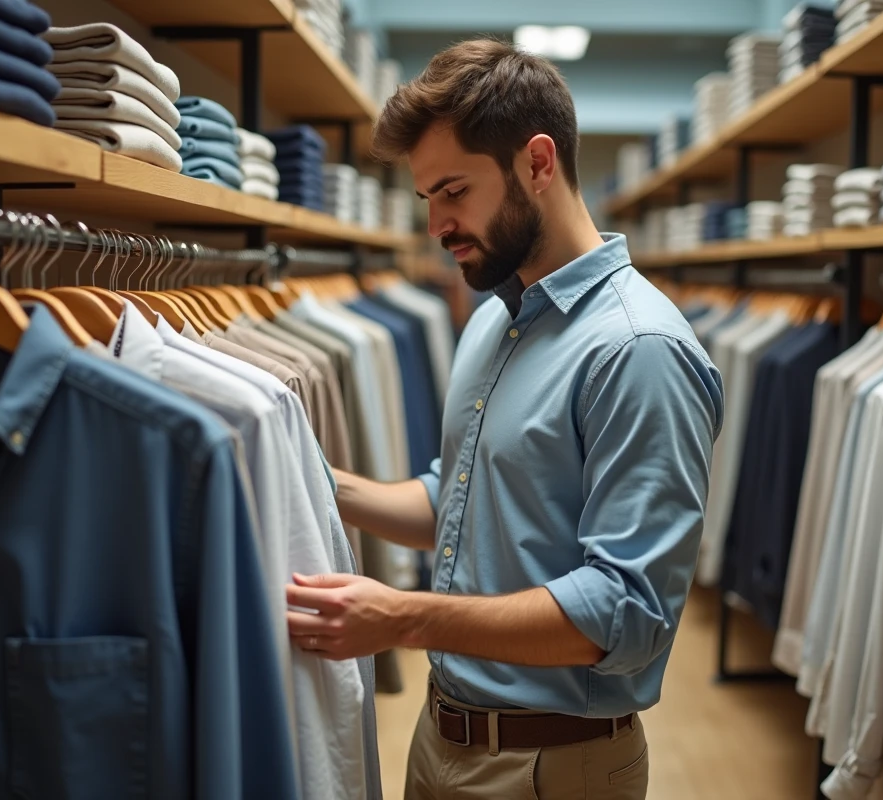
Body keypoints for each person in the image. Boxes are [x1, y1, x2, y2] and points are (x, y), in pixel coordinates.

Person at [284, 37, 724, 800]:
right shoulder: (494, 318)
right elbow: (458, 498)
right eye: (428, 200)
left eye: (453, 191)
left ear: (538, 163)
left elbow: (626, 612)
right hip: (443, 737)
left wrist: (403, 618)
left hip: (552, 765)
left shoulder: (638, 349)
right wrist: (307, 475)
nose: (436, 226)